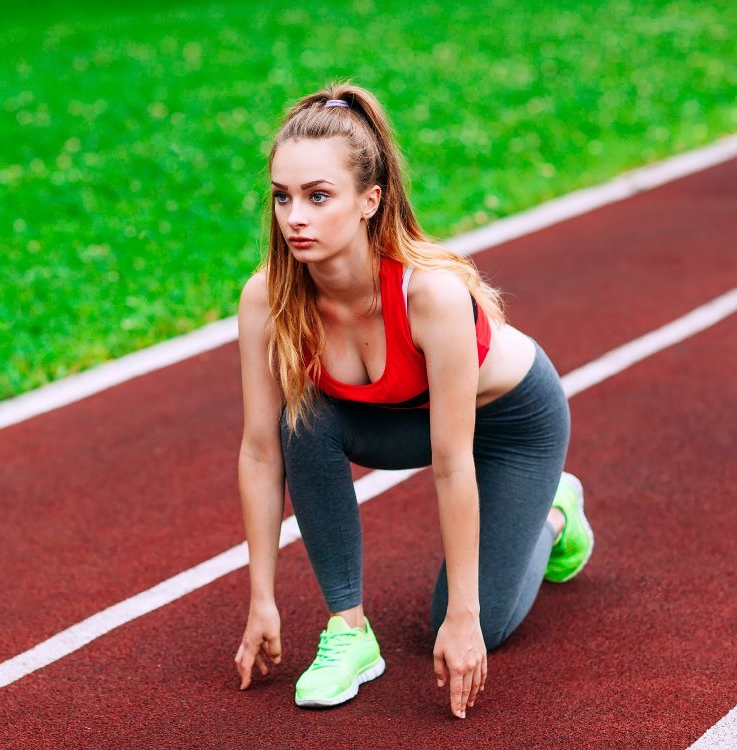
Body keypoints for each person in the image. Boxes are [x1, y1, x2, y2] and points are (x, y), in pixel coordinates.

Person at [231, 82, 596, 719]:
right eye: (283, 196)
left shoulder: (432, 296)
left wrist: (464, 617)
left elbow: (454, 463)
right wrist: (261, 598)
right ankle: (348, 630)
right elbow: (261, 453)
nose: (296, 217)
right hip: (404, 417)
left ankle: (554, 511)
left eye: (319, 197)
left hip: (509, 426)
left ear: (370, 200)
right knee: (302, 419)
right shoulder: (267, 299)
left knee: (470, 625)